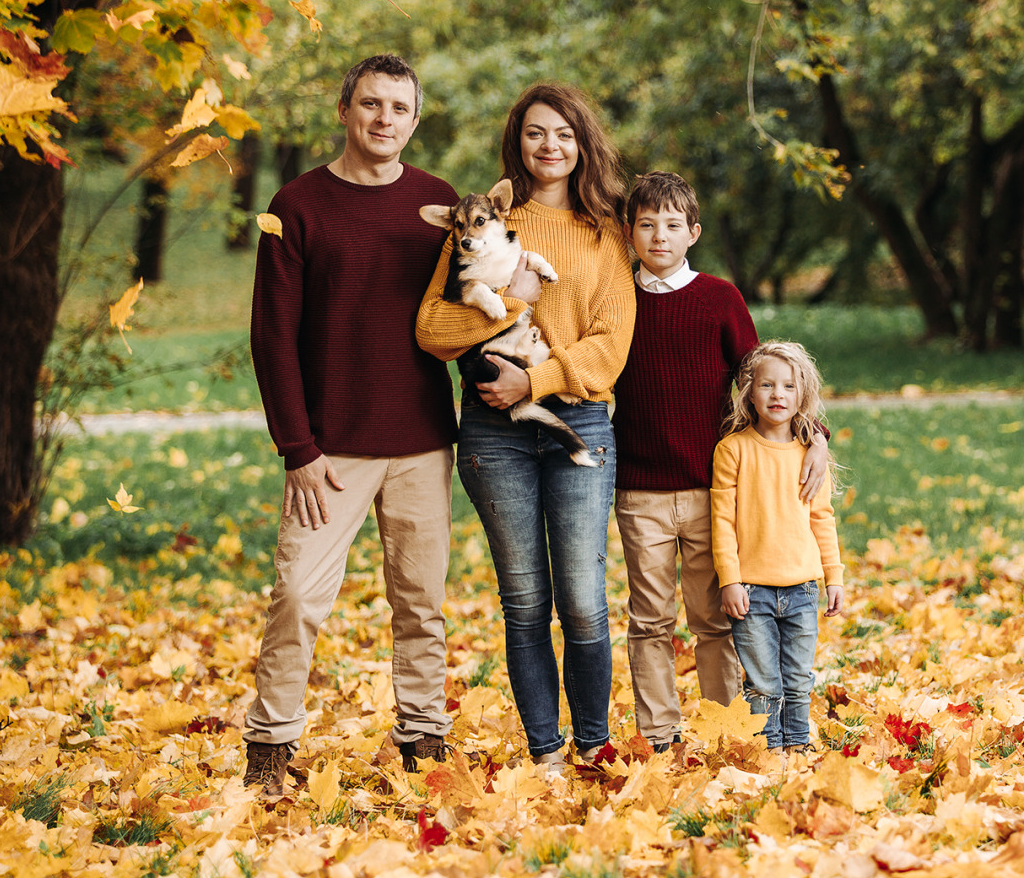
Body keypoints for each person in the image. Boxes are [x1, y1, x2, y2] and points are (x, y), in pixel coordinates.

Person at [244, 54, 459, 796]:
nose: (384, 121)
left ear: (415, 121)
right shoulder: (296, 206)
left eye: (399, 109)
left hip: (424, 441)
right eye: (370, 105)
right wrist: (296, 449)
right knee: (299, 596)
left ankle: (423, 744)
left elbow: (469, 309)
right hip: (328, 451)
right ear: (344, 111)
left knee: (421, 602)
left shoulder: (441, 205)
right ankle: (269, 749)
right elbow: (271, 336)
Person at [415, 82, 635, 765]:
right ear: (518, 143)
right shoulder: (476, 227)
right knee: (525, 602)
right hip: (495, 436)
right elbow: (432, 327)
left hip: (579, 423)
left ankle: (593, 748)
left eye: (564, 134)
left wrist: (531, 378)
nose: (551, 146)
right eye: (537, 133)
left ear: (582, 145)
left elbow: (611, 342)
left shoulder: (606, 231)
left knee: (583, 599)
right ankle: (546, 753)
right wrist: (512, 306)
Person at [611, 172, 829, 752]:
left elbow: (768, 380)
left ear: (694, 233)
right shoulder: (615, 299)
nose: (659, 236)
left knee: (715, 618)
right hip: (641, 492)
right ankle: (658, 733)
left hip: (713, 490)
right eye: (647, 224)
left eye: (673, 226)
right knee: (650, 620)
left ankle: (726, 728)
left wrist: (817, 435)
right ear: (628, 231)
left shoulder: (719, 298)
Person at [712, 341, 845, 752]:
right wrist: (730, 580)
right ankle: (769, 752)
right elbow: (723, 521)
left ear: (801, 394)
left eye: (788, 386)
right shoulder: (732, 450)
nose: (778, 395)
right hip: (751, 591)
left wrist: (834, 577)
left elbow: (822, 518)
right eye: (767, 385)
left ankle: (797, 748)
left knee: (799, 679)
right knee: (764, 682)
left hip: (803, 589)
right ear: (750, 391)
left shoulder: (810, 454)